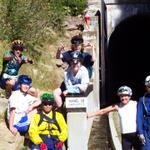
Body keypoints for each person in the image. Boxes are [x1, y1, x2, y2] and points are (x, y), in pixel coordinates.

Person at [87, 85, 140, 150]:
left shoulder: (135, 104)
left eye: (125, 96)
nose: (123, 98)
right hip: (125, 136)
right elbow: (103, 111)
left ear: (130, 96)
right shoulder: (117, 106)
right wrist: (89, 115)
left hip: (136, 134)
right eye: (121, 96)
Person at [137, 75, 150, 150]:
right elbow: (139, 116)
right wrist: (140, 132)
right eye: (148, 86)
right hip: (147, 130)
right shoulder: (143, 99)